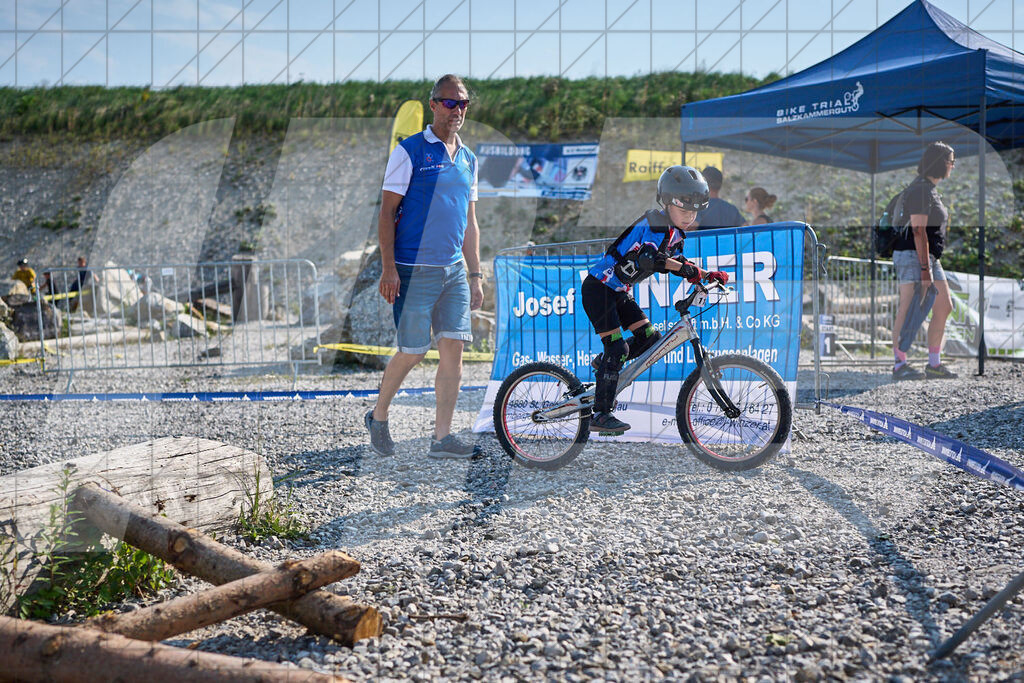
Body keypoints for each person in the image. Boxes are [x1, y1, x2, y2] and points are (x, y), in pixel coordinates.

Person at [365, 74, 484, 459]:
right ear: (433, 105)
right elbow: (387, 212)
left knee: (454, 351)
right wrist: (388, 269)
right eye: (449, 103)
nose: (457, 110)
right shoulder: (409, 151)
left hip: (453, 272)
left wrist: (476, 274)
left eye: (462, 103)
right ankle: (379, 416)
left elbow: (470, 222)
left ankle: (442, 438)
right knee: (413, 351)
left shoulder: (469, 159)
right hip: (412, 270)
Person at [582, 166, 730, 434]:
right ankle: (600, 413)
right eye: (684, 210)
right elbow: (649, 259)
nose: (690, 216)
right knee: (617, 348)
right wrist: (688, 271)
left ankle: (605, 364)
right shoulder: (656, 223)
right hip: (599, 289)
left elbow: (680, 262)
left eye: (695, 212)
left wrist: (707, 274)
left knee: (650, 338)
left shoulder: (675, 233)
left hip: (617, 291)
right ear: (666, 203)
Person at [890, 141, 957, 381]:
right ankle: (899, 364)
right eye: (951, 161)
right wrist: (925, 269)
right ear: (941, 162)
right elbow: (918, 230)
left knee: (944, 306)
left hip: (927, 256)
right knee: (907, 306)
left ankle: (934, 363)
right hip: (913, 254)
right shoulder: (920, 190)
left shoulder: (928, 189)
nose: (953, 166)